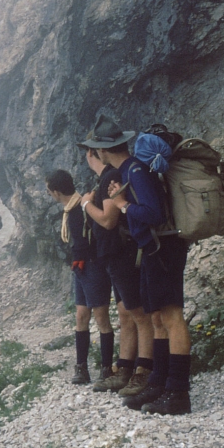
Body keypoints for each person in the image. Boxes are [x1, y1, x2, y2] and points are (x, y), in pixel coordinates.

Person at [83, 114, 193, 415]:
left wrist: (123, 205)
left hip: (163, 248)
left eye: (96, 149)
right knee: (157, 319)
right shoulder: (130, 170)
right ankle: (158, 382)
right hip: (152, 250)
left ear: (103, 150)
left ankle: (179, 392)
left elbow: (154, 213)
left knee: (172, 318)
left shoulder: (136, 170)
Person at [77, 145, 159, 397]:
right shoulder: (106, 177)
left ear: (94, 152)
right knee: (126, 313)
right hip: (114, 255)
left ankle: (143, 371)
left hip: (122, 253)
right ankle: (125, 368)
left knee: (139, 313)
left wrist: (86, 204)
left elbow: (107, 219)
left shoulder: (111, 176)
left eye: (87, 152)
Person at [46, 170, 114, 385]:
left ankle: (106, 370)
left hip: (91, 266)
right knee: (81, 315)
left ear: (56, 192)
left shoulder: (81, 208)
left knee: (102, 317)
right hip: (81, 268)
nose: (50, 194)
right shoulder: (74, 207)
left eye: (49, 191)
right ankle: (82, 368)